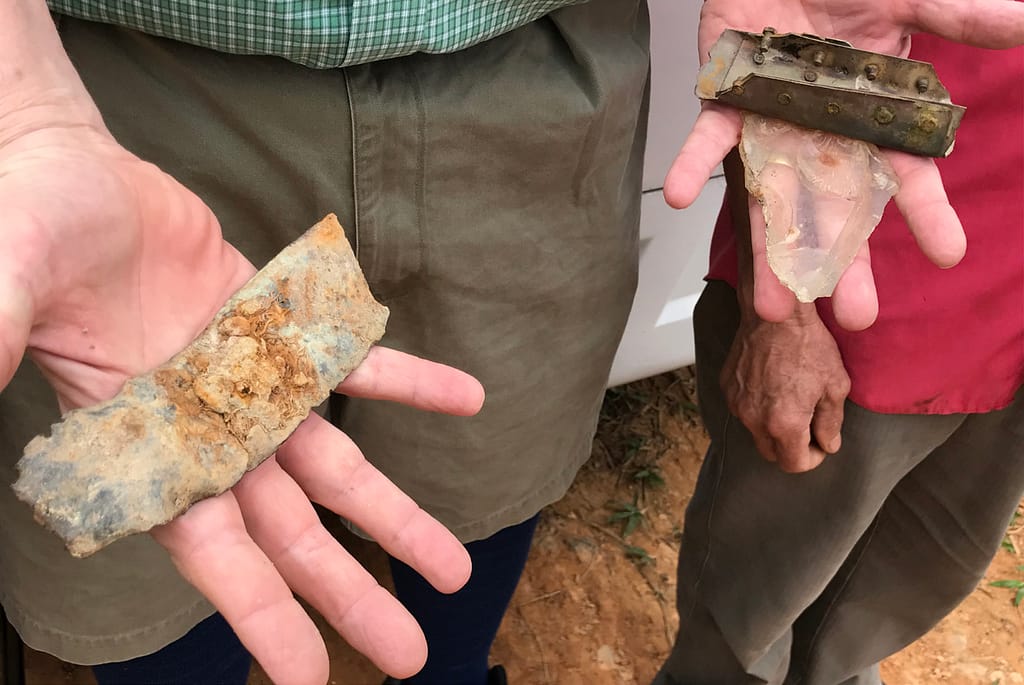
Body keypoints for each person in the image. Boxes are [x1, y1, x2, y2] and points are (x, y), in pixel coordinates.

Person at [0, 1, 650, 684]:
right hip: (111, 83)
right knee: (151, 578)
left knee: (485, 469)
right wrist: (25, 119)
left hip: (534, 75)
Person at [652, 1, 1024, 683]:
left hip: (1004, 319)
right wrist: (782, 318)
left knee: (911, 577)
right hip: (869, 274)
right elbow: (791, 20)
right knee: (750, 608)